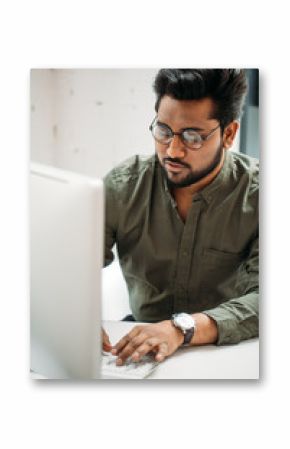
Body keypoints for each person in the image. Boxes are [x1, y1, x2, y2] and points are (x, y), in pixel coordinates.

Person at [102, 69, 259, 366]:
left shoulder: (261, 195)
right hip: (142, 348)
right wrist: (72, 314)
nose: (172, 150)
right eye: (163, 131)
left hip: (230, 350)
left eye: (192, 137)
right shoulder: (124, 186)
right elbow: (70, 269)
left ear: (228, 134)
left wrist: (181, 329)